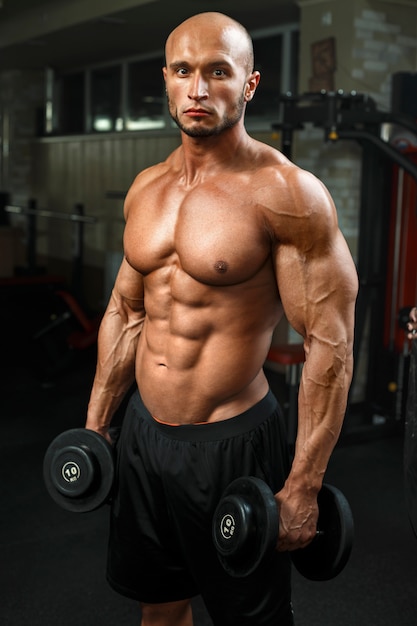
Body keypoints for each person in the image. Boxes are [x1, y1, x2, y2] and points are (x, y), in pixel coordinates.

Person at [85, 11, 358, 626]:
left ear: (251, 85)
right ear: (166, 79)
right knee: (158, 607)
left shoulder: (286, 193)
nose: (199, 89)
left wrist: (305, 484)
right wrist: (98, 422)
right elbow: (127, 309)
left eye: (218, 72)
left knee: (250, 619)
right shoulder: (145, 189)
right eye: (183, 71)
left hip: (231, 444)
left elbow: (329, 343)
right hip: (143, 437)